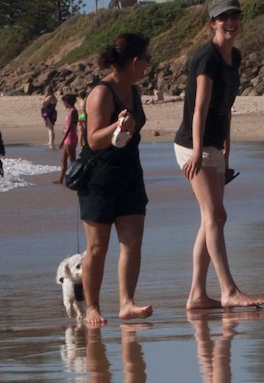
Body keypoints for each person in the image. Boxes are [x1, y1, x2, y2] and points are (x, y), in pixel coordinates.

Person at [174, 0, 264, 310]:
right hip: (192, 144)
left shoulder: (234, 56)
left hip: (214, 144)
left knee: (212, 217)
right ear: (212, 23)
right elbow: (199, 107)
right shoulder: (207, 57)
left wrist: (227, 149)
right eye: (223, 18)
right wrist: (198, 151)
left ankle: (197, 294)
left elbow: (226, 107)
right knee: (215, 215)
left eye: (234, 17)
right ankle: (228, 290)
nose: (230, 23)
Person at [80, 33, 153, 326]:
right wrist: (117, 126)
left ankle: (127, 303)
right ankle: (92, 308)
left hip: (130, 173)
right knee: (98, 247)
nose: (149, 64)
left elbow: (132, 130)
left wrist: (129, 126)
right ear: (135, 61)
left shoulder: (133, 91)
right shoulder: (102, 93)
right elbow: (94, 140)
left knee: (132, 240)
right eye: (147, 59)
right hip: (99, 177)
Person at [54, 94, 79, 185]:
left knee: (72, 161)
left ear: (67, 102)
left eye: (64, 102)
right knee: (63, 160)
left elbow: (70, 126)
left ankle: (75, 179)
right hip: (67, 137)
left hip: (70, 138)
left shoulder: (73, 111)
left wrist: (62, 140)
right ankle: (61, 179)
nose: (64, 104)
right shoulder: (70, 111)